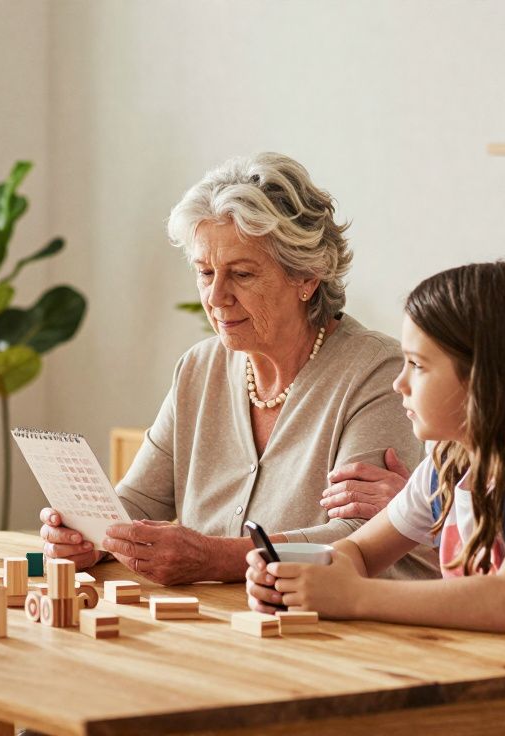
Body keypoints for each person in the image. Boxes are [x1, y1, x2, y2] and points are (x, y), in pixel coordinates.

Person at [40, 152, 436, 585]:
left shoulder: (377, 372)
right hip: (222, 621)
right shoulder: (198, 367)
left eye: (242, 274)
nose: (216, 296)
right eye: (205, 272)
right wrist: (88, 536)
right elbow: (137, 501)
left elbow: (359, 537)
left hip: (340, 627)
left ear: (307, 277)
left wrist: (215, 557)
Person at [245, 261, 505, 637]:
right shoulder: (445, 472)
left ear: (485, 380)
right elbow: (361, 553)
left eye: (417, 366)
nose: (399, 383)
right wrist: (303, 575)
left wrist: (353, 596)